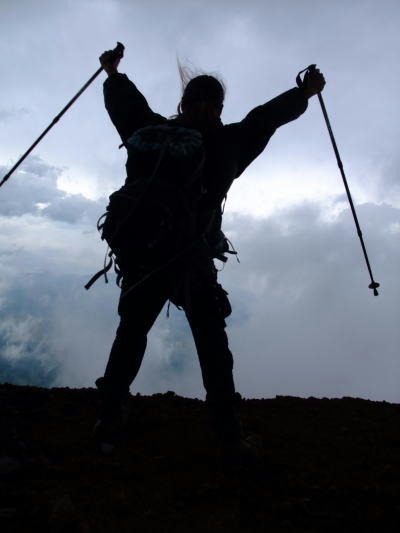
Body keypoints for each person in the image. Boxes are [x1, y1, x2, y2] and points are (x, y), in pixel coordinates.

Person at [93, 49, 325, 462]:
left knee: (130, 336)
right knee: (213, 348)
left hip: (144, 260)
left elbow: (126, 103)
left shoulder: (148, 132)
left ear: (181, 105)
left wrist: (112, 72)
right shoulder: (228, 142)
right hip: (192, 263)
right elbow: (264, 118)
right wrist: (305, 92)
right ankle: (228, 435)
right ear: (219, 108)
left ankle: (108, 417)